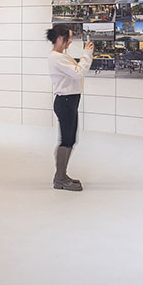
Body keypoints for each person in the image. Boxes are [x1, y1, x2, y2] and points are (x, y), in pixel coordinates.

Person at [47, 23, 94, 192]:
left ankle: (62, 175)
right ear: (60, 38)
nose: (71, 41)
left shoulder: (61, 56)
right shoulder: (56, 57)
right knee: (66, 140)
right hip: (65, 102)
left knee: (71, 139)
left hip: (70, 101)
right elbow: (78, 72)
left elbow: (76, 71)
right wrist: (87, 54)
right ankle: (59, 178)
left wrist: (85, 57)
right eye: (69, 37)